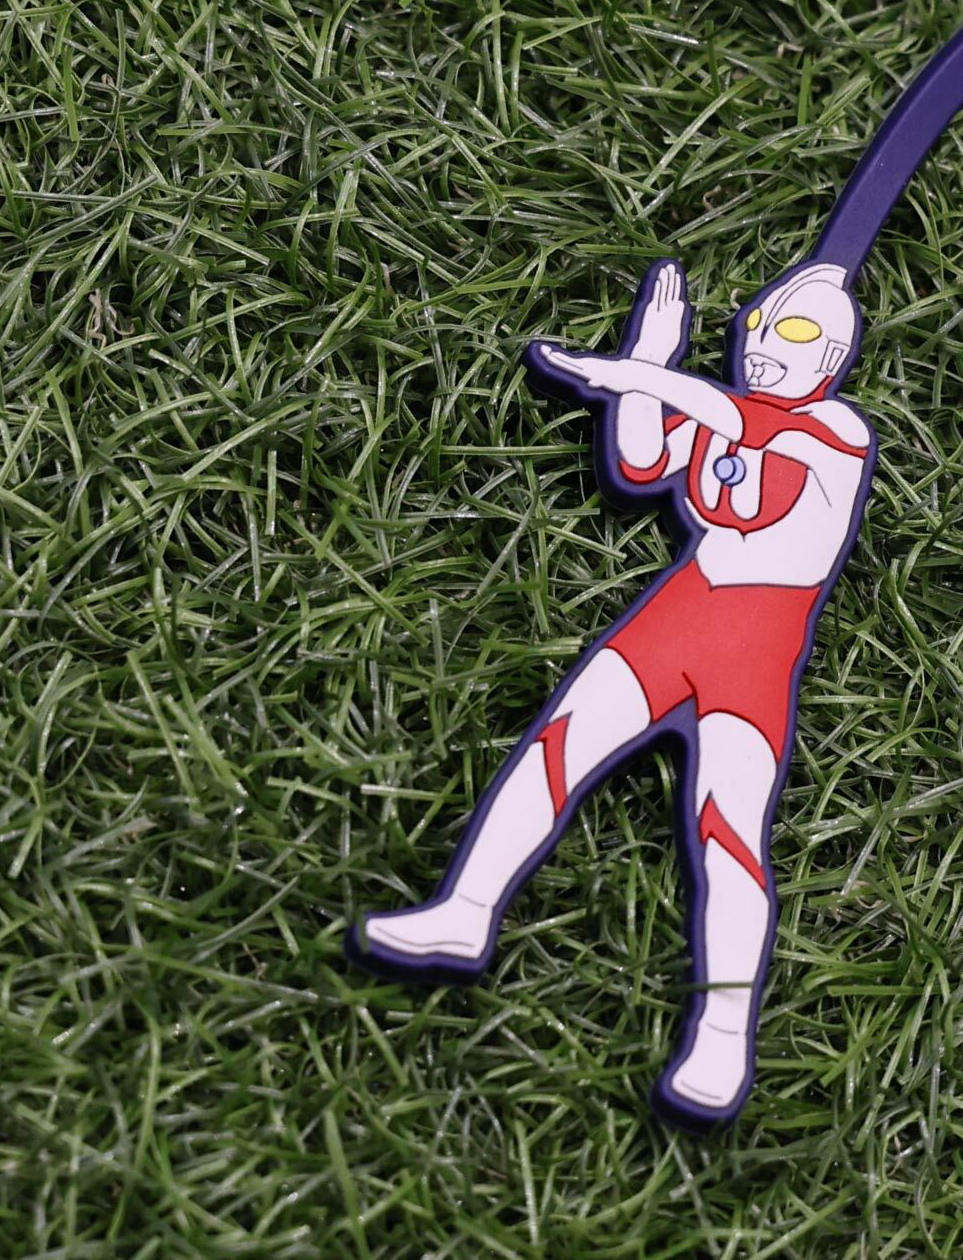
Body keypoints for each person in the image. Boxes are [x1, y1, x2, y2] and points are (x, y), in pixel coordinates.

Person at [348, 258, 875, 1124]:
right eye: (759, 326)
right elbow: (639, 458)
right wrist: (649, 362)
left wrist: (638, 374)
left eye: (795, 334)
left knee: (726, 832)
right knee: (556, 747)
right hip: (676, 618)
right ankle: (465, 911)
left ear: (831, 357)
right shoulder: (716, 418)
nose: (765, 346)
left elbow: (732, 417)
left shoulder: (836, 431)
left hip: (753, 650)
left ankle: (721, 1037)